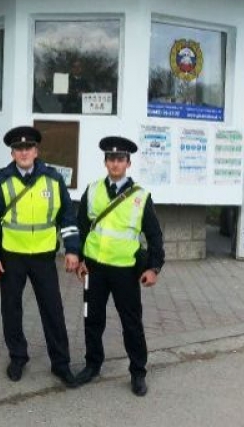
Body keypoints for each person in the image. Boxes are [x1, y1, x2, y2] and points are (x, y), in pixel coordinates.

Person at [0, 125, 81, 388]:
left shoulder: (53, 179)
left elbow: (67, 217)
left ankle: (61, 364)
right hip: (11, 255)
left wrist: (72, 250)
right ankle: (17, 357)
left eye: (28, 148)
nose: (24, 152)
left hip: (43, 256)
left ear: (36, 151)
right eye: (18, 148)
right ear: (12, 153)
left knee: (53, 310)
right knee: (11, 310)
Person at [75, 136, 166, 396]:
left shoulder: (140, 197)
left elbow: (155, 235)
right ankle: (93, 365)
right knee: (92, 319)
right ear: (105, 162)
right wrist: (80, 258)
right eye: (111, 159)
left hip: (125, 271)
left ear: (128, 163)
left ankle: (138, 372)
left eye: (120, 159)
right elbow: (81, 227)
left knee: (132, 323)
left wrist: (154, 267)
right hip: (94, 269)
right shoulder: (92, 190)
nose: (115, 163)